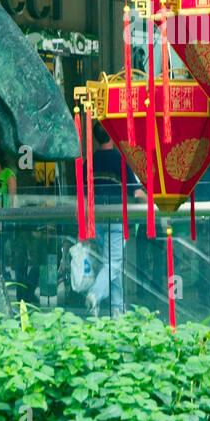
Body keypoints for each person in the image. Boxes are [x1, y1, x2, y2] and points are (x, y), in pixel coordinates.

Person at [86, 122, 139, 318]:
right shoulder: (120, 160)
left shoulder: (90, 162)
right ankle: (95, 294)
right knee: (114, 264)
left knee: (109, 264)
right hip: (117, 219)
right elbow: (137, 191)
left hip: (97, 220)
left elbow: (84, 194)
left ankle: (117, 308)